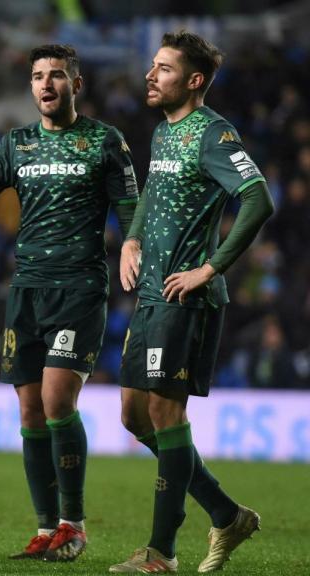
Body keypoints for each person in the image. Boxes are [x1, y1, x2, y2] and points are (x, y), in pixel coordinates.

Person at [0, 44, 140, 562]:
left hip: (79, 288)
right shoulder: (16, 144)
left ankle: (73, 524)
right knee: (30, 410)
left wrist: (132, 243)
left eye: (56, 75)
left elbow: (131, 206)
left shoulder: (104, 141)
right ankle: (45, 527)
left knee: (59, 399)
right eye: (38, 76)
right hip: (27, 289)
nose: (46, 84)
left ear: (75, 85)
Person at [110, 30, 271, 573]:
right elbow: (152, 198)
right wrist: (131, 238)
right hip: (151, 295)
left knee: (163, 410)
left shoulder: (213, 133)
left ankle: (161, 552)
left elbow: (258, 199)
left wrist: (210, 267)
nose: (151, 75)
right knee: (135, 417)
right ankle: (227, 514)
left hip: (187, 296)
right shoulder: (162, 134)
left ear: (194, 81)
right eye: (152, 66)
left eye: (164, 68)